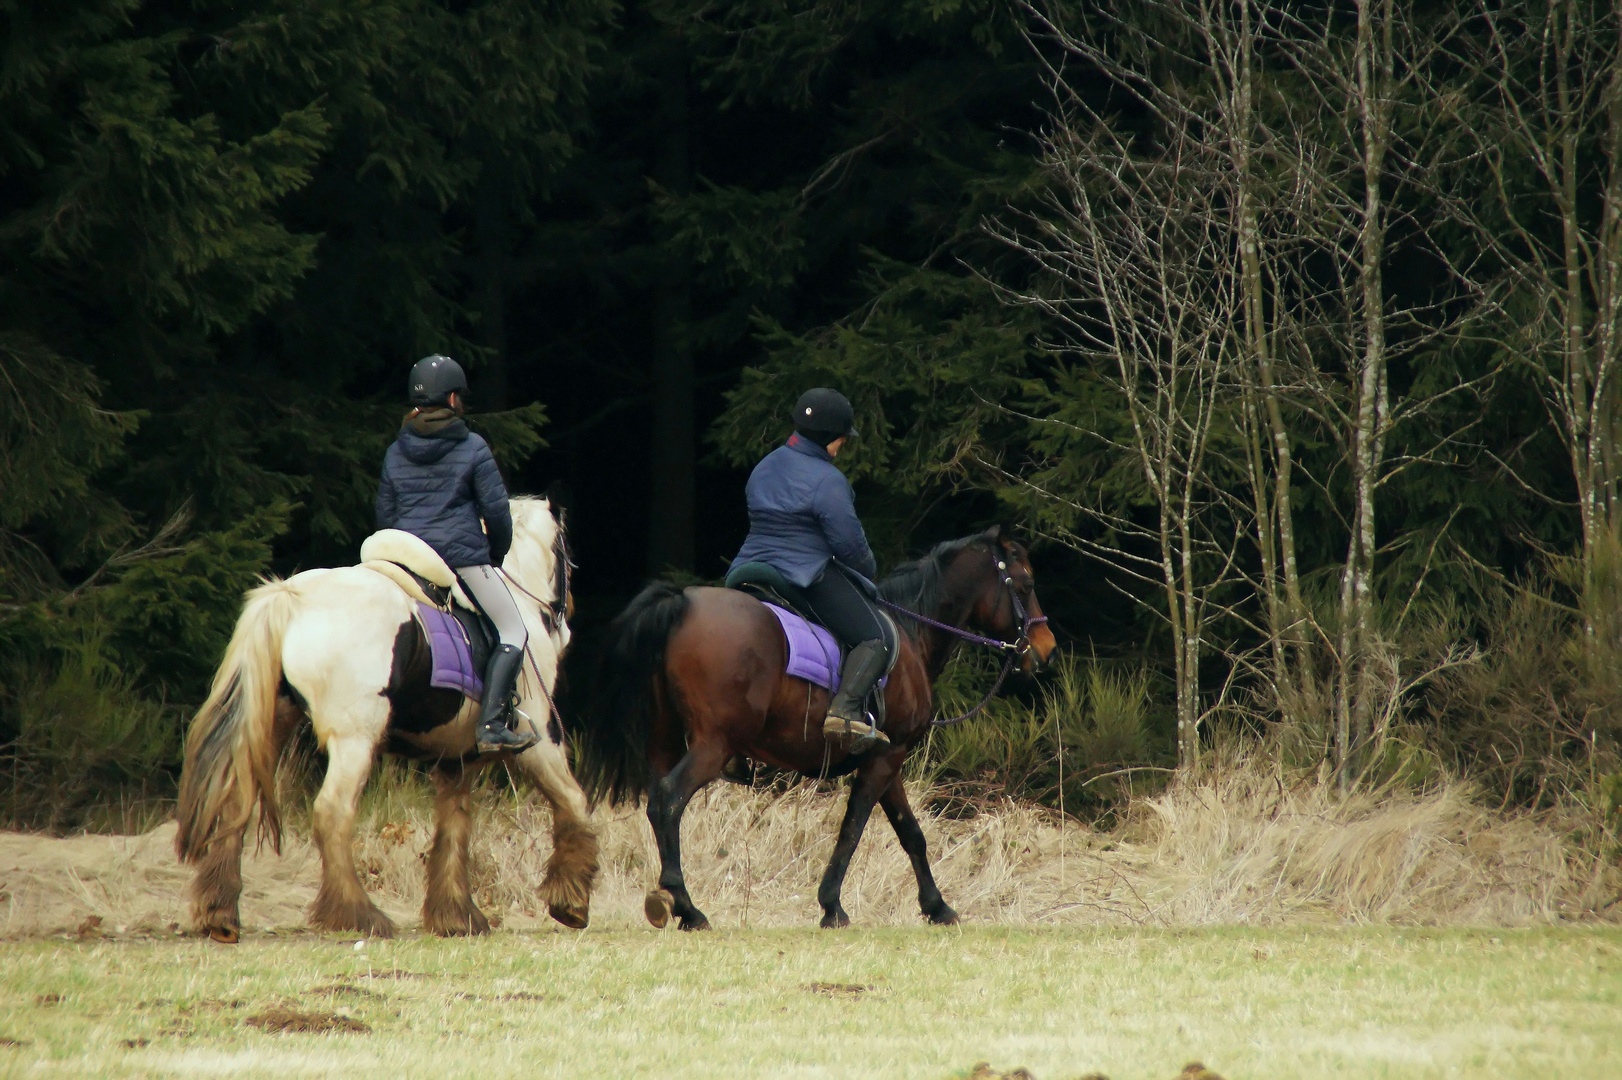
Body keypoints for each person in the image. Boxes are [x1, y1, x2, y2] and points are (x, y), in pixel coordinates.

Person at [376, 354, 537, 754]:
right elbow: (498, 514)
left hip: (404, 558)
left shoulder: (396, 451)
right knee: (514, 631)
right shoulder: (472, 446)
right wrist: (493, 556)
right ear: (451, 398)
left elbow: (385, 515)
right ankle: (493, 726)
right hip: (458, 559)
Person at [730, 387, 891, 750]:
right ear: (832, 439)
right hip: (800, 575)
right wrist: (869, 570)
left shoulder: (764, 466)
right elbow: (850, 548)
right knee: (874, 636)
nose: (842, 446)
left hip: (747, 569)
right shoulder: (829, 480)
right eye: (841, 440)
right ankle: (845, 712)